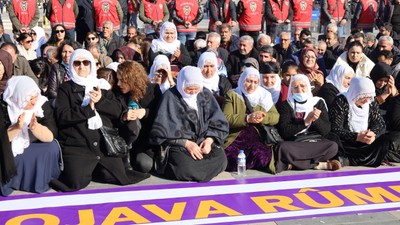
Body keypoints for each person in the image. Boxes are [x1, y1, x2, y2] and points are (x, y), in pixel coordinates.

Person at [53, 49, 149, 192]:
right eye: (77, 63)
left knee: (114, 176)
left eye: (85, 62)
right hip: (78, 145)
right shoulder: (65, 89)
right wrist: (87, 109)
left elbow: (117, 111)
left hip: (103, 145)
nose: (82, 67)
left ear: (91, 64)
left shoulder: (101, 86)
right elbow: (62, 116)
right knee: (75, 182)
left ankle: (95, 168)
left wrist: (100, 101)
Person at [149, 66, 229, 182]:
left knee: (221, 159)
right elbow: (161, 132)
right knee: (186, 167)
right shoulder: (170, 97)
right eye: (189, 89)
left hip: (202, 142)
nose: (193, 92)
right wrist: (187, 144)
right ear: (182, 84)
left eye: (196, 89)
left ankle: (200, 170)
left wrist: (209, 140)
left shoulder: (205, 94)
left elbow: (218, 122)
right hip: (179, 145)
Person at [0, 76, 61, 196]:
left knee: (52, 147)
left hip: (35, 146)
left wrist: (35, 128)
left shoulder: (41, 104)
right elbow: (2, 139)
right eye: (29, 98)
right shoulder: (4, 106)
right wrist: (17, 127)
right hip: (10, 149)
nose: (34, 101)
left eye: (35, 97)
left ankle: (38, 183)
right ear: (18, 97)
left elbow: (51, 135)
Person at [276, 74, 340, 173]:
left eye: (303, 86)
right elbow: (284, 131)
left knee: (333, 146)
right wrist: (305, 122)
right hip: (296, 143)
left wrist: (316, 119)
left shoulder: (318, 102)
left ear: (308, 87)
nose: (299, 90)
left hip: (316, 141)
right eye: (295, 87)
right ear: (291, 90)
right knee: (282, 148)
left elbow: (326, 130)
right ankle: (317, 164)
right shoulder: (286, 105)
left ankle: (294, 164)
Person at [223, 67, 279, 173]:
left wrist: (264, 117)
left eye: (255, 82)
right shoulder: (233, 95)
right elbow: (226, 118)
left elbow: (275, 117)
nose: (252, 86)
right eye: (248, 81)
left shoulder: (264, 95)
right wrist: (247, 118)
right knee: (230, 160)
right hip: (236, 138)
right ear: (243, 80)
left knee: (263, 158)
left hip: (257, 137)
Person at [330, 77, 390, 167]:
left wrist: (373, 134)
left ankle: (349, 161)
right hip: (347, 142)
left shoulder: (370, 103)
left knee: (384, 140)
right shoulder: (341, 100)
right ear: (356, 93)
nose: (366, 100)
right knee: (333, 140)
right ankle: (365, 160)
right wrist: (356, 136)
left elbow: (380, 124)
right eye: (363, 96)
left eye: (369, 97)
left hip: (365, 141)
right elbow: (336, 128)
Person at [115, 61, 162, 172]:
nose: (118, 84)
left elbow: (161, 115)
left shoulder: (152, 90)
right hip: (124, 140)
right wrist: (124, 117)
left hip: (145, 141)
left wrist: (145, 113)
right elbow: (113, 114)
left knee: (144, 164)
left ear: (132, 79)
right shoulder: (119, 93)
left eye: (122, 80)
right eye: (118, 79)